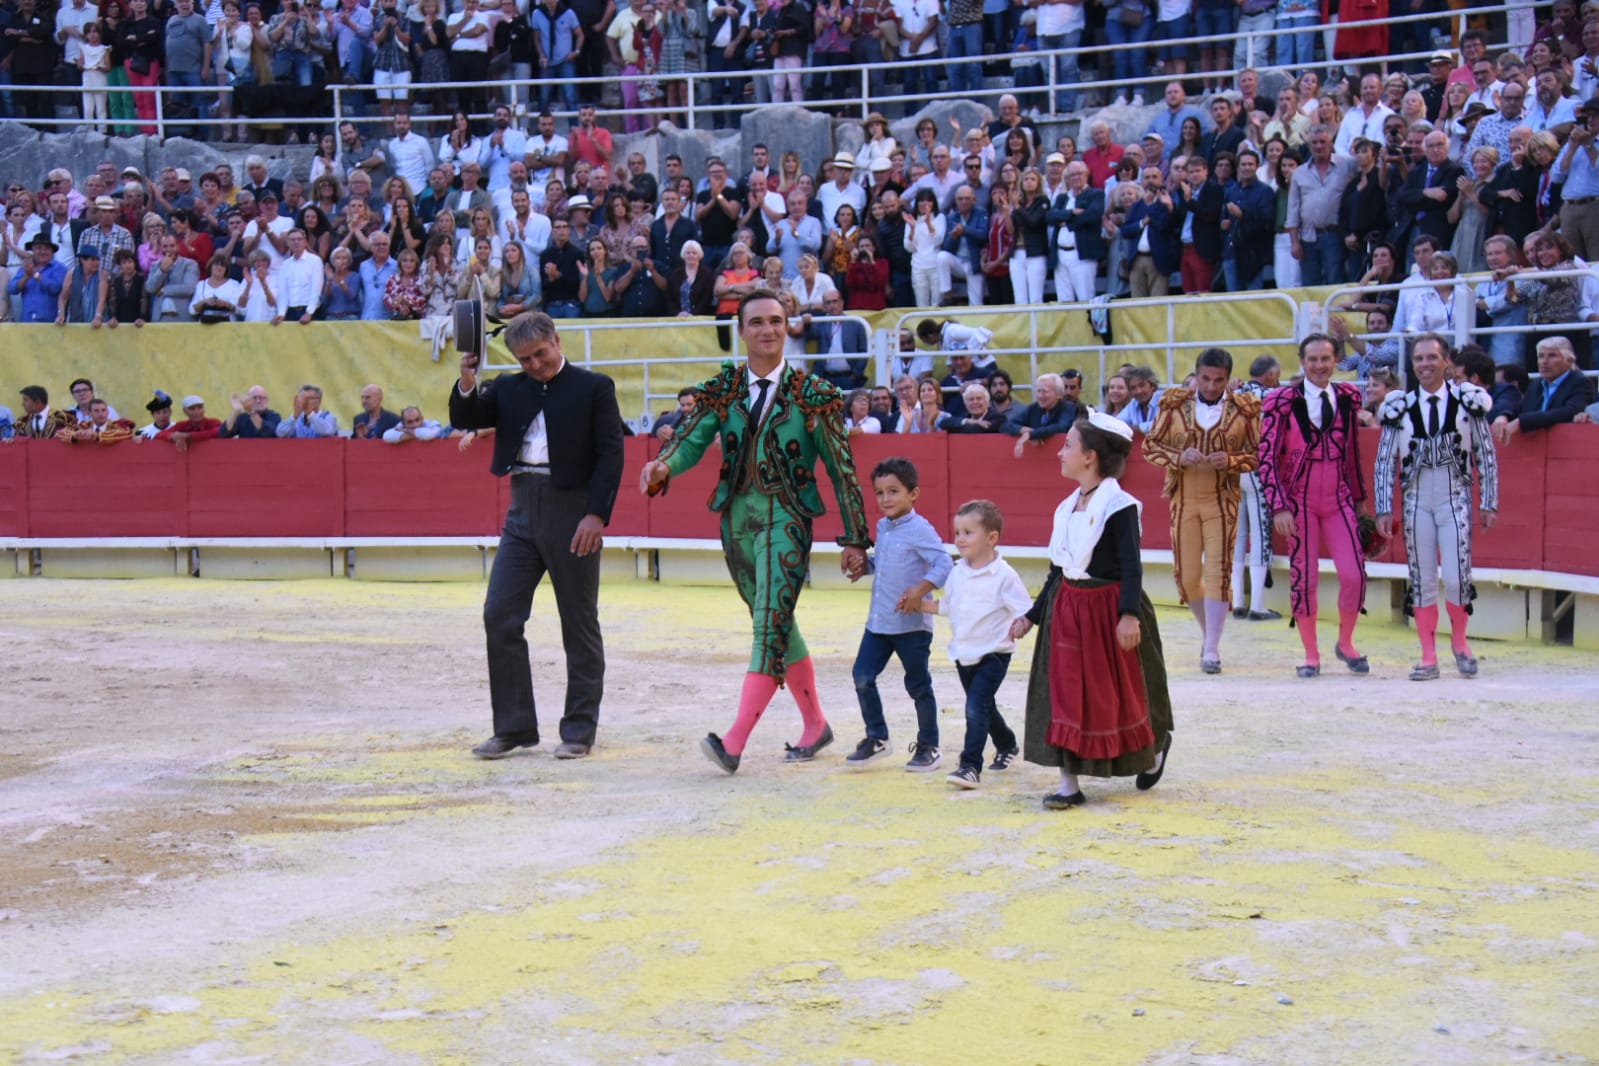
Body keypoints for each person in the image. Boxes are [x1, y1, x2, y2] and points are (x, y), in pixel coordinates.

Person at [640, 290, 871, 775]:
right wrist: (662, 466)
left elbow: (842, 470)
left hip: (787, 518)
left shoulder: (816, 395)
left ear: (787, 327)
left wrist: (855, 538)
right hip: (736, 522)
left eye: (777, 321)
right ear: (741, 331)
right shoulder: (722, 389)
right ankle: (816, 725)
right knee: (775, 623)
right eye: (758, 322)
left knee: (770, 624)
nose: (768, 329)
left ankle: (734, 742)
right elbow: (690, 440)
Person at [449, 311, 625, 761]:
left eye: (540, 355)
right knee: (499, 615)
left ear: (557, 341)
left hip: (573, 511)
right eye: (524, 359)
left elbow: (611, 455)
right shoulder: (508, 386)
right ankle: (513, 728)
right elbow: (466, 415)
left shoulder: (594, 387)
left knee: (579, 623)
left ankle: (579, 730)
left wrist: (596, 516)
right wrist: (468, 378)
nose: (535, 365)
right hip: (522, 507)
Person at [1011, 412, 1173, 811]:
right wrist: (1032, 616)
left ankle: (1153, 749)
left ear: (1091, 457)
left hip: (1107, 611)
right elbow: (1059, 569)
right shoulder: (1068, 507)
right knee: (1064, 695)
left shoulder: (1118, 506)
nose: (1060, 453)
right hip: (1068, 610)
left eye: (1068, 445)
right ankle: (1068, 783)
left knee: (1113, 695)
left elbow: (1132, 567)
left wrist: (1129, 615)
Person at [1372, 334, 1499, 682]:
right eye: (1418, 359)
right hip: (1416, 503)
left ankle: (1460, 643)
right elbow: (1385, 460)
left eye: (1431, 358)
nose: (1424, 364)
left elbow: (1485, 453)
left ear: (1446, 362)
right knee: (1423, 579)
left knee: (1458, 578)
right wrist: (1384, 507)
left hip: (1453, 499)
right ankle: (1428, 656)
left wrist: (1488, 501)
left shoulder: (1468, 401)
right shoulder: (1399, 406)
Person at [1141, 348, 1262, 674]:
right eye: (1205, 379)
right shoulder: (1174, 404)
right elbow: (1150, 446)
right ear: (1196, 375)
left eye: (1218, 380)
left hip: (1222, 500)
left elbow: (1256, 453)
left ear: (1227, 379)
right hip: (1184, 498)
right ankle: (1209, 633)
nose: (1211, 386)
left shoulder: (1245, 409)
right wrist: (1178, 458)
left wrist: (1233, 461)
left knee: (1218, 572)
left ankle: (1211, 648)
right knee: (1187, 576)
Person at [1258, 334, 1370, 679]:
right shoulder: (1281, 401)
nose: (1319, 365)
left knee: (1354, 574)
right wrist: (1279, 506)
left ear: (1335, 360)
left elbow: (1351, 452)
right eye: (1313, 359)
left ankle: (1346, 643)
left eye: (1325, 359)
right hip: (1299, 502)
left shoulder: (1348, 397)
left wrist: (1361, 500)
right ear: (1302, 361)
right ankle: (1310, 653)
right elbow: (1266, 457)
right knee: (1303, 577)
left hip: (1338, 499)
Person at [837, 456, 954, 772]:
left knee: (918, 685)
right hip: (879, 622)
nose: (885, 499)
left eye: (893, 491)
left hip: (912, 625)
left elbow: (944, 564)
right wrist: (866, 567)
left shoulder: (921, 529)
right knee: (862, 676)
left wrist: (918, 591)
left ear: (913, 494)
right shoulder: (883, 527)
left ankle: (929, 746)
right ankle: (877, 737)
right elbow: (886, 562)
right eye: (880, 493)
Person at [919, 499, 1030, 789]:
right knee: (983, 706)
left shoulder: (1005, 575)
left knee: (975, 706)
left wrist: (1021, 624)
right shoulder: (958, 572)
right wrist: (921, 605)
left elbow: (1024, 608)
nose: (959, 539)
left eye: (968, 532)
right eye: (957, 533)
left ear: (991, 538)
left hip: (994, 653)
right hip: (963, 654)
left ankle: (970, 766)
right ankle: (1007, 744)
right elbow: (950, 606)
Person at [1230, 355, 1281, 622]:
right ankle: (1258, 605)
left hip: (1233, 469)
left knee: (1238, 536)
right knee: (1261, 535)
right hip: (1259, 469)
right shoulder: (1274, 394)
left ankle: (1238, 601)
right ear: (1271, 374)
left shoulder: (1232, 393)